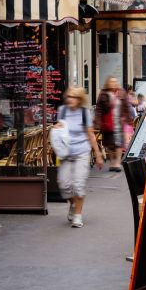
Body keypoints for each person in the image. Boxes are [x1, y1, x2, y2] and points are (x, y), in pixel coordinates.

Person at [56, 86, 103, 228]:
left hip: (82, 152)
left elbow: (90, 135)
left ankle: (77, 215)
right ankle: (73, 204)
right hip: (66, 154)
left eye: (74, 97)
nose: (70, 99)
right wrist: (56, 129)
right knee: (64, 185)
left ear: (80, 99)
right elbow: (59, 130)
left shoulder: (84, 113)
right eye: (69, 96)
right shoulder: (62, 111)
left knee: (78, 185)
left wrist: (98, 154)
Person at [94, 77, 131, 172]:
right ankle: (111, 163)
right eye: (111, 82)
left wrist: (128, 119)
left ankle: (117, 163)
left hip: (119, 122)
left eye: (114, 82)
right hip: (107, 123)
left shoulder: (121, 92)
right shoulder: (103, 94)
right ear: (107, 83)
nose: (113, 83)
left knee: (119, 143)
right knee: (108, 144)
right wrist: (97, 123)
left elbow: (126, 107)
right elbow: (99, 110)